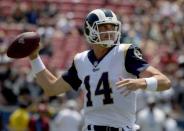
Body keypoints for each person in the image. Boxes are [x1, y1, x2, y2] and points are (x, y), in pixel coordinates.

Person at [28, 9, 171, 131]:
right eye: (103, 27)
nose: (109, 31)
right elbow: (52, 88)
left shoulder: (125, 52)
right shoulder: (81, 60)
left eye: (111, 27)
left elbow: (164, 81)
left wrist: (142, 82)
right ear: (90, 29)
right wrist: (34, 58)